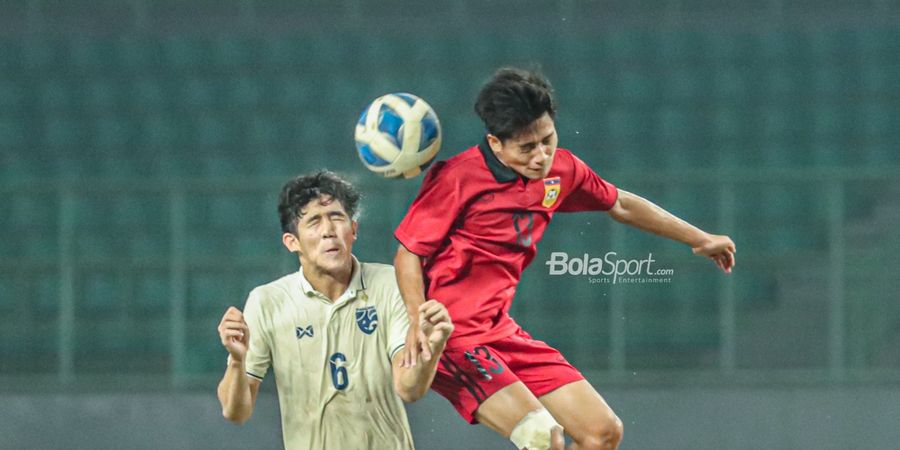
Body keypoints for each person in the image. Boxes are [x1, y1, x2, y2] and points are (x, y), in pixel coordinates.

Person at [393, 68, 736, 450]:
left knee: (602, 432)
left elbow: (619, 203)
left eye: (547, 139)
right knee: (544, 438)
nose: (541, 156)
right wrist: (416, 322)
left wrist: (700, 237)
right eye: (527, 148)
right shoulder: (456, 178)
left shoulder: (562, 170)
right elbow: (408, 254)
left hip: (501, 331)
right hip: (451, 336)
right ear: (495, 143)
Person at [216, 171, 453, 450]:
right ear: (292, 242)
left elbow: (409, 388)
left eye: (337, 217)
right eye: (314, 221)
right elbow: (236, 412)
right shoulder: (268, 301)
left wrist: (432, 349)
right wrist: (236, 361)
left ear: (353, 230)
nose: (329, 230)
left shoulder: (390, 283)